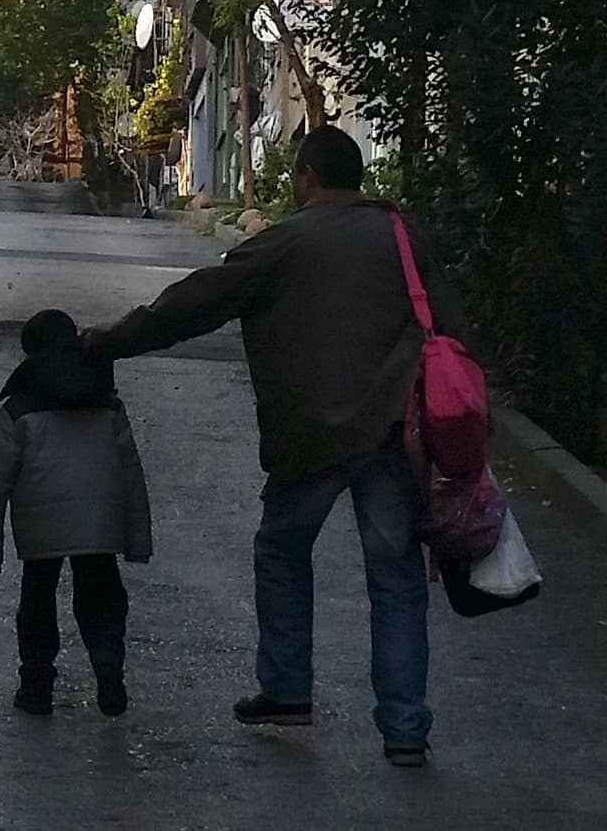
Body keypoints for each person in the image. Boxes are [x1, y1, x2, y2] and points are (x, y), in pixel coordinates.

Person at [84, 122, 460, 767]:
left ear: (307, 178)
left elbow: (193, 305)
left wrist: (109, 341)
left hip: (308, 434)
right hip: (394, 432)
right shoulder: (403, 235)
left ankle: (286, 687)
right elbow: (449, 323)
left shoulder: (284, 244)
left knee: (283, 550)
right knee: (395, 578)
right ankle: (405, 730)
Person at [0, 308, 156, 717]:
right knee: (102, 596)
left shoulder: (18, 409)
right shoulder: (107, 404)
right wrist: (138, 541)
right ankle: (108, 665)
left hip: (40, 531)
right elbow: (131, 476)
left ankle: (36, 686)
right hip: (100, 528)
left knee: (37, 602)